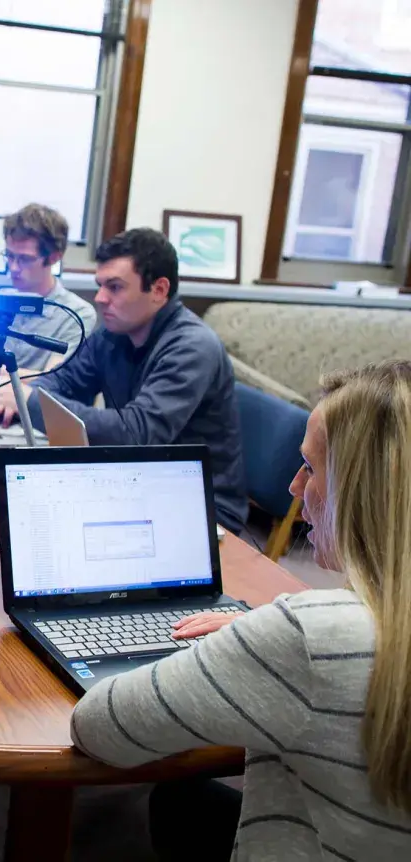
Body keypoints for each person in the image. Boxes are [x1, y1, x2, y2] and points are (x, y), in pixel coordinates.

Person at [71, 359, 411, 861]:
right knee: (185, 801)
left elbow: (99, 727)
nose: (295, 489)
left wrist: (249, 649)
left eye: (312, 468)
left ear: (361, 489)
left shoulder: (310, 638)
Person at [0, 227, 247, 533]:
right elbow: (62, 382)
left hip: (198, 502)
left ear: (158, 290)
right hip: (135, 480)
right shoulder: (112, 334)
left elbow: (136, 433)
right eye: (100, 285)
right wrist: (32, 392)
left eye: (115, 287)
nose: (100, 298)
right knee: (20, 513)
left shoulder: (193, 346)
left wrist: (28, 399)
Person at [0, 203, 97, 373]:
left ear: (53, 258)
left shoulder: (76, 314)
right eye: (9, 256)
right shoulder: (1, 298)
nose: (14, 267)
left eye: (25, 259)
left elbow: (52, 379)